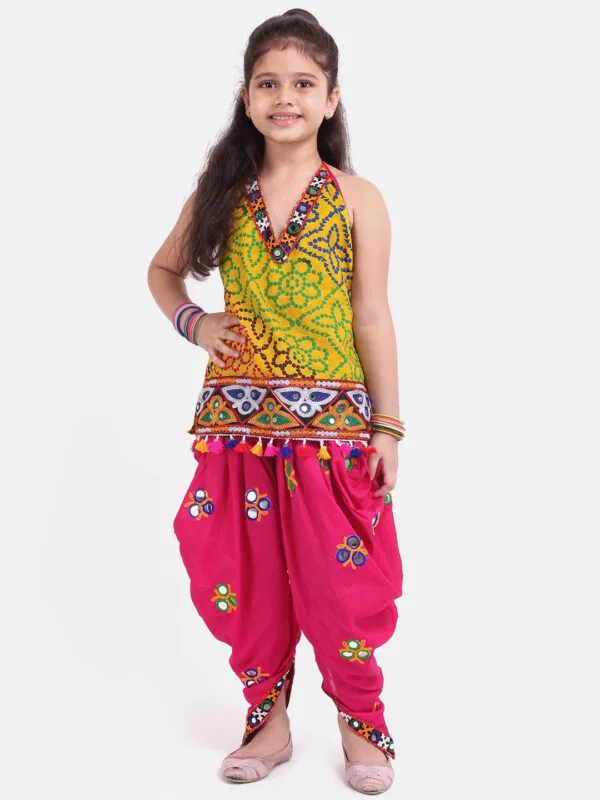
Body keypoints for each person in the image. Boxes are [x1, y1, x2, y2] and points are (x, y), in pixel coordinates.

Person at [147, 8, 406, 794]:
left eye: (302, 83)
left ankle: (361, 721)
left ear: (331, 99)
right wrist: (197, 324)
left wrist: (388, 426)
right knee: (245, 575)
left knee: (341, 583)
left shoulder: (357, 198)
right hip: (238, 427)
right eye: (268, 83)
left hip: (334, 430)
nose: (284, 97)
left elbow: (372, 314)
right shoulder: (222, 194)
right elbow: (162, 272)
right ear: (246, 97)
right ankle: (268, 719)